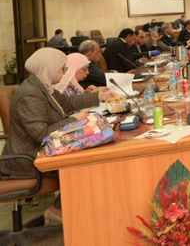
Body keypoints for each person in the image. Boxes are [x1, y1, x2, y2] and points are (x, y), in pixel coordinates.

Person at [0, 48, 114, 224]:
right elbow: (42, 134)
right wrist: (74, 120)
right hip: (28, 159)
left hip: (42, 151)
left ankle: (73, 209)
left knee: (89, 155)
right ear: (50, 68)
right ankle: (59, 209)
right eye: (62, 68)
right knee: (85, 163)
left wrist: (99, 96)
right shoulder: (30, 93)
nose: (64, 72)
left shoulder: (43, 86)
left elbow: (68, 102)